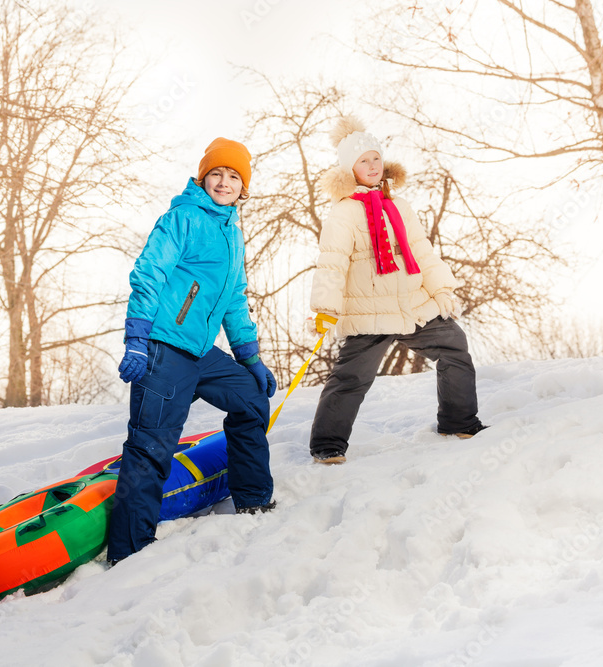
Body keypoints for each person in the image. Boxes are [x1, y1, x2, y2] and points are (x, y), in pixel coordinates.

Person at [106, 138, 278, 565]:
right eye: (216, 173)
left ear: (244, 188)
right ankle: (130, 552)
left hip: (202, 352)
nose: (224, 182)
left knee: (252, 400)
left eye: (234, 176)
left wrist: (250, 356)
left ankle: (254, 499)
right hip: (164, 350)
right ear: (203, 178)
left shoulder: (231, 232)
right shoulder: (182, 217)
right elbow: (149, 272)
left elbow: (235, 298)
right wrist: (137, 338)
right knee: (151, 448)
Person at [308, 117, 487, 465]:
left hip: (413, 304)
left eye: (375, 158)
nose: (372, 166)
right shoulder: (344, 213)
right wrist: (326, 308)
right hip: (369, 310)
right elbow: (332, 262)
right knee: (351, 378)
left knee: (455, 347)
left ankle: (459, 421)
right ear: (350, 169)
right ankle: (327, 445)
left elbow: (422, 251)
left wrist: (443, 290)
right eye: (363, 161)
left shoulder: (399, 206)